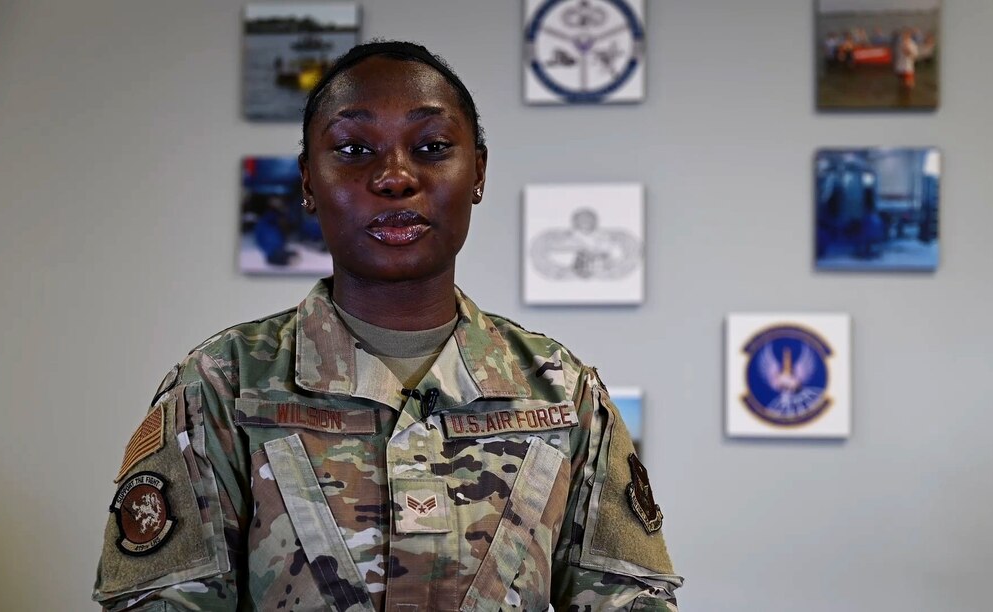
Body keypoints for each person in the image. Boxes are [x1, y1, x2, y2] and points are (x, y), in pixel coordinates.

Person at [92, 40, 682, 611]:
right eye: (353, 150)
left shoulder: (562, 392)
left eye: (431, 146)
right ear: (307, 182)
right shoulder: (221, 385)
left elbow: (631, 604)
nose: (395, 177)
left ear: (478, 172)